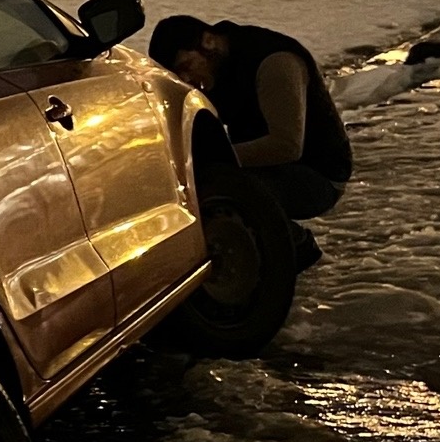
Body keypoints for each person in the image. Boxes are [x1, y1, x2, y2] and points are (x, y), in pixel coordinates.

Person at [147, 14, 352, 265]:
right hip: (276, 167)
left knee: (216, 190)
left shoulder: (274, 62)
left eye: (186, 68)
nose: (187, 81)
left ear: (208, 42)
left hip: (320, 176)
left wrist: (209, 161)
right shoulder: (218, 67)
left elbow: (286, 146)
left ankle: (294, 243)